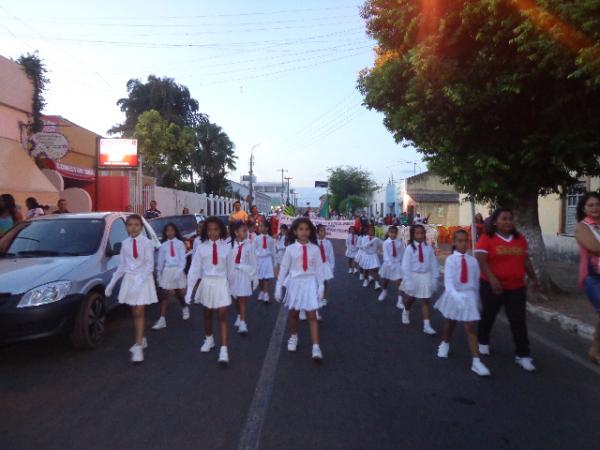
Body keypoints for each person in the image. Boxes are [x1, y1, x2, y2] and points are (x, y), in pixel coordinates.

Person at [475, 207, 540, 372]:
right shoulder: (487, 238)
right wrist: (492, 279)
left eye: (510, 218)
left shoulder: (519, 239)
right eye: (504, 218)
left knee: (518, 321)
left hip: (516, 287)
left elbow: (525, 261)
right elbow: (481, 261)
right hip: (492, 286)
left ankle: (523, 355)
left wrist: (534, 279)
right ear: (495, 222)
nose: (508, 222)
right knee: (488, 315)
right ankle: (483, 340)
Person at [434, 230, 491, 377]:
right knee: (450, 323)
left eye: (466, 240)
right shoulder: (451, 260)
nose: (463, 244)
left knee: (471, 328)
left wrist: (477, 299)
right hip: (454, 296)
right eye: (460, 241)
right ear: (454, 242)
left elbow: (475, 282)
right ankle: (445, 343)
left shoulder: (473, 261)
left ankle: (476, 362)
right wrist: (456, 296)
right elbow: (448, 282)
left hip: (469, 296)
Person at [105, 214, 158, 363]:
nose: (133, 228)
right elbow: (122, 265)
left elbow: (149, 265)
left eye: (136, 225)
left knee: (140, 311)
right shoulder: (125, 243)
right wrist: (112, 283)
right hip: (130, 279)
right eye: (130, 225)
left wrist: (139, 282)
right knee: (134, 312)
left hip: (142, 279)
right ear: (126, 227)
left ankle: (139, 346)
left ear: (141, 227)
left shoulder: (147, 243)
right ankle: (142, 338)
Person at [275, 217, 325, 361]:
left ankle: (316, 346)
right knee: (294, 313)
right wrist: (279, 286)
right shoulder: (290, 249)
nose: (304, 232)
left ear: (311, 232)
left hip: (309, 282)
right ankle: (293, 336)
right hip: (295, 283)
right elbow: (284, 268)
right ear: (295, 232)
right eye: (301, 229)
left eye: (307, 229)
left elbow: (319, 268)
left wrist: (321, 284)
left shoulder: (315, 249)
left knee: (312, 315)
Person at [185, 216, 232, 364]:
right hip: (207, 282)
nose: (213, 233)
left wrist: (232, 288)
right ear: (206, 231)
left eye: (216, 229)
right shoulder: (201, 248)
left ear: (221, 230)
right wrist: (189, 291)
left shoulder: (227, 247)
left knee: (222, 315)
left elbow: (231, 270)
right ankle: (209, 338)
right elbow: (194, 270)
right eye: (210, 230)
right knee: (207, 314)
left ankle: (224, 349)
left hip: (221, 283)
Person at [574, 192, 600, 364]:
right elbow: (593, 247)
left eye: (598, 204)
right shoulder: (582, 227)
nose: (595, 208)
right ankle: (595, 349)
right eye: (590, 205)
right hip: (592, 277)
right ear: (583, 208)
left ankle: (595, 349)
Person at [400, 224, 439, 335]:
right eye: (417, 233)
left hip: (425, 276)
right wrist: (408, 280)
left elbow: (433, 262)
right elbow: (406, 265)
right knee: (410, 298)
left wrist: (435, 277)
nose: (420, 235)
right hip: (413, 276)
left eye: (422, 233)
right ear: (413, 235)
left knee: (425, 300)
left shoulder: (428, 247)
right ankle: (406, 311)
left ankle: (427, 325)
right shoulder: (409, 248)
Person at [152, 223, 189, 331]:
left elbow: (183, 260)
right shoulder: (164, 245)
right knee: (165, 295)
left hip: (177, 269)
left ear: (175, 231)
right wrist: (159, 274)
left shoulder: (180, 244)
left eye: (172, 230)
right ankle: (162, 319)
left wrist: (179, 272)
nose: (170, 232)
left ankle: (184, 307)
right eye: (167, 231)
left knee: (178, 293)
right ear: (165, 233)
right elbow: (160, 261)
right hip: (168, 271)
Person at [228, 221, 257, 335]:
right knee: (235, 298)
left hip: (244, 275)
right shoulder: (229, 246)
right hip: (233, 275)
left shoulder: (249, 246)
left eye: (247, 230)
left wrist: (254, 277)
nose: (246, 233)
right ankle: (239, 315)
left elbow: (253, 262)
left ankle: (243, 322)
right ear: (236, 232)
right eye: (244, 231)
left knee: (242, 299)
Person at [378, 225, 404, 302]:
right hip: (388, 264)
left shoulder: (399, 242)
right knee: (386, 280)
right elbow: (386, 255)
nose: (393, 234)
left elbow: (402, 253)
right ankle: (384, 291)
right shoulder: (385, 243)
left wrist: (402, 264)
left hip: (397, 264)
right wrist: (390, 264)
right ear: (388, 233)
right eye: (391, 232)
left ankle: (400, 300)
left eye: (395, 233)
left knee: (399, 282)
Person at [254, 221, 275, 303]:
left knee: (266, 277)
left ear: (267, 228)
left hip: (267, 259)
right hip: (259, 259)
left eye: (262, 226)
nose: (260, 228)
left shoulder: (270, 239)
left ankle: (266, 293)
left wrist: (274, 262)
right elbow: (254, 249)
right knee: (260, 277)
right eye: (260, 226)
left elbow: (273, 251)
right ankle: (262, 291)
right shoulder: (257, 238)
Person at [316, 224, 335, 307]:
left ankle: (324, 298)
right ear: (317, 232)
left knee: (325, 282)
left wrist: (332, 267)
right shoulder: (314, 242)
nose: (323, 232)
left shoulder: (328, 243)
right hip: (316, 265)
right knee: (316, 282)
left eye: (324, 230)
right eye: (321, 230)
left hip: (325, 264)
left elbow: (331, 255)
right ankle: (317, 296)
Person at [359, 225, 382, 290]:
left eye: (373, 230)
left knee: (375, 270)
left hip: (373, 256)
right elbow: (364, 246)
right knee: (366, 270)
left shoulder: (376, 239)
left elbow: (382, 244)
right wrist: (372, 241)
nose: (371, 231)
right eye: (370, 230)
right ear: (367, 231)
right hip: (366, 255)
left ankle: (377, 283)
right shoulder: (364, 238)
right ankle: (366, 280)